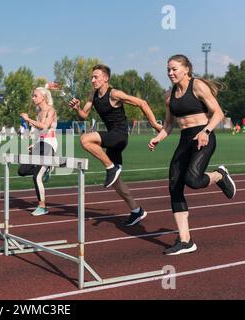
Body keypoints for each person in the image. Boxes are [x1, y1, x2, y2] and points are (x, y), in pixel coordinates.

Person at [149, 54, 236, 255]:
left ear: (186, 69)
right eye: (168, 70)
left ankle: (220, 175)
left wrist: (206, 131)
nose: (170, 73)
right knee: (174, 186)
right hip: (184, 141)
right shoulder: (169, 95)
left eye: (174, 69)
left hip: (203, 138)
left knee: (193, 180)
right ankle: (186, 240)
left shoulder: (197, 86)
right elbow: (168, 125)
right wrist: (158, 138)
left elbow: (219, 113)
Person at [69, 64, 162, 227]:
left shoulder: (115, 94)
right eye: (92, 77)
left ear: (106, 78)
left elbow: (142, 103)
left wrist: (154, 123)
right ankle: (136, 210)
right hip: (113, 139)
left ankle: (110, 167)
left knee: (85, 139)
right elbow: (84, 116)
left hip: (120, 136)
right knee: (117, 182)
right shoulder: (93, 94)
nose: (92, 80)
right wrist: (77, 108)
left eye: (96, 77)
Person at [18, 87, 58, 216]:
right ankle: (45, 168)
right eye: (33, 95)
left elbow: (45, 127)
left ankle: (42, 206)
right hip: (39, 144)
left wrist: (28, 119)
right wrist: (34, 144)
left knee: (37, 177)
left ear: (43, 97)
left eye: (35, 96)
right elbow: (40, 132)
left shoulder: (51, 111)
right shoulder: (38, 113)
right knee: (22, 170)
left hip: (49, 145)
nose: (33, 98)